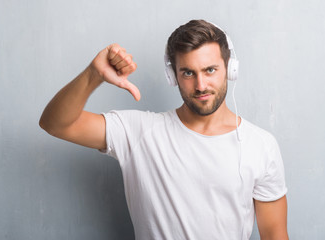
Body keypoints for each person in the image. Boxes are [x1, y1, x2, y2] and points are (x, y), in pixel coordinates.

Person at [39, 19, 288, 240]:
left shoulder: (260, 145)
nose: (201, 85)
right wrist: (94, 75)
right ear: (173, 76)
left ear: (230, 69)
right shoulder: (137, 132)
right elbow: (55, 123)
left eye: (210, 70)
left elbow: (275, 235)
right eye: (188, 73)